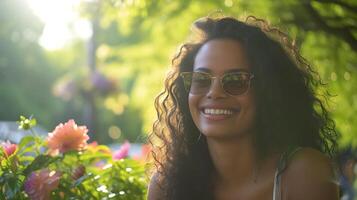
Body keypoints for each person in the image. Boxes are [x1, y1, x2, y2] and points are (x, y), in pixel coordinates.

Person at [147, 15, 339, 200]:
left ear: (267, 92)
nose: (214, 93)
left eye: (236, 80)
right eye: (201, 79)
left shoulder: (304, 174)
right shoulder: (166, 186)